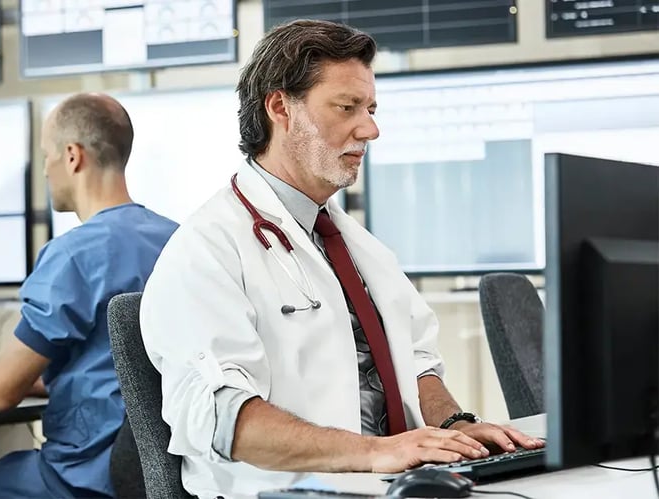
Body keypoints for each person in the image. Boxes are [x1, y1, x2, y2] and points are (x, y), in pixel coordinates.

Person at [139, 20, 545, 498]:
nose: (370, 128)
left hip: (390, 481)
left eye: (370, 109)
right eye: (347, 107)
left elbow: (417, 362)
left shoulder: (356, 244)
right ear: (280, 108)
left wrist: (455, 427)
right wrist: (375, 452)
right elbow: (223, 418)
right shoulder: (204, 251)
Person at [0, 93, 178, 498]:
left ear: (72, 156)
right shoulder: (177, 241)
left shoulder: (74, 255)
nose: (44, 169)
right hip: (161, 479)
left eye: (46, 156)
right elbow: (116, 374)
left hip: (78, 481)